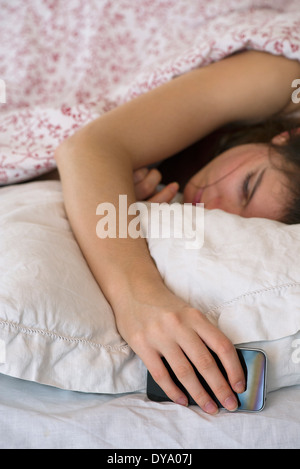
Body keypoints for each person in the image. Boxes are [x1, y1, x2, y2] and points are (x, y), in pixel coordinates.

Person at [54, 50, 300, 415]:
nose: (212, 207)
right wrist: (139, 298)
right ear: (287, 136)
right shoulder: (282, 80)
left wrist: (118, 193)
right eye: (247, 186)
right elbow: (88, 146)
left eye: (236, 222)